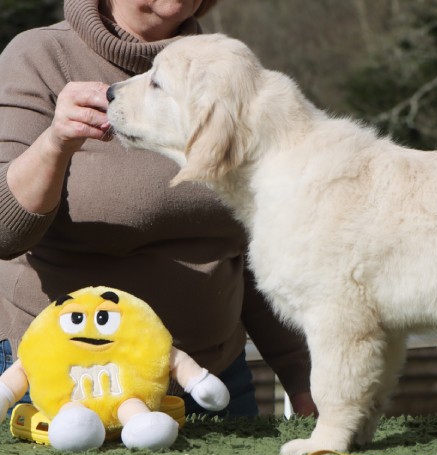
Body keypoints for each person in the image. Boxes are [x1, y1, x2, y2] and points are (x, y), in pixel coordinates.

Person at [0, 0, 315, 418]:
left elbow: (252, 248)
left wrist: (302, 375)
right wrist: (55, 144)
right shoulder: (39, 57)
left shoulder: (227, 70)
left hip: (214, 385)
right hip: (66, 387)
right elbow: (5, 233)